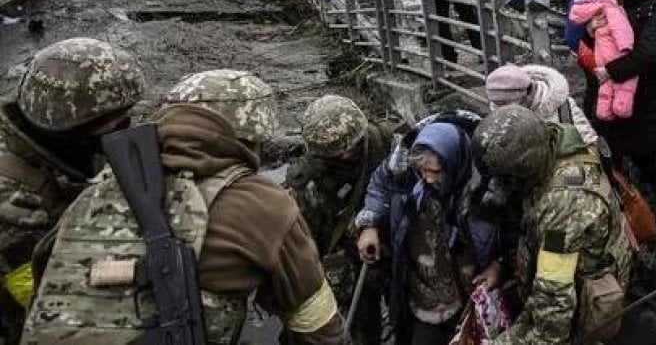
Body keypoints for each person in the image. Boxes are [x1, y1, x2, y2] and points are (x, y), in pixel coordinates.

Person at [25, 69, 349, 344]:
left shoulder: (99, 187)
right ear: (253, 135)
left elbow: (43, 270)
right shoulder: (262, 204)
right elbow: (316, 324)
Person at [0, 38, 145, 341]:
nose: (126, 128)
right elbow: (38, 296)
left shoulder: (52, 142)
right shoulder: (12, 194)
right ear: (68, 126)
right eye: (114, 124)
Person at [472, 105, 632, 345]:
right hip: (567, 269)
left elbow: (554, 305)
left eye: (506, 179)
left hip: (584, 298)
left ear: (525, 168)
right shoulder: (555, 141)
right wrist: (503, 264)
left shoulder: (562, 207)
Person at [355, 112, 498, 345]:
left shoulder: (488, 184)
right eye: (424, 172)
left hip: (470, 292)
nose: (428, 180)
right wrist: (369, 224)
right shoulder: (403, 170)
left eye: (436, 172)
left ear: (455, 163)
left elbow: (514, 228)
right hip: (425, 294)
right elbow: (379, 186)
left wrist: (498, 264)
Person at [289, 95, 392, 345]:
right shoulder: (308, 181)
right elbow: (307, 237)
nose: (346, 155)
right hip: (341, 254)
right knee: (357, 320)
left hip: (386, 240)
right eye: (337, 153)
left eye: (352, 148)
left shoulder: (384, 143)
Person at [584, 0, 656, 177]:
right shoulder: (617, 7)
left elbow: (647, 55)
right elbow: (598, 45)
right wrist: (590, 30)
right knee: (611, 156)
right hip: (613, 97)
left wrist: (610, 72)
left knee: (647, 160)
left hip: (644, 98)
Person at [484, 64, 598, 146]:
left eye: (504, 103)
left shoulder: (563, 108)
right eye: (496, 103)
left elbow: (588, 143)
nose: (500, 108)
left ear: (524, 96)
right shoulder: (499, 113)